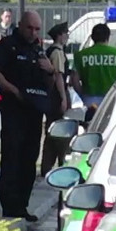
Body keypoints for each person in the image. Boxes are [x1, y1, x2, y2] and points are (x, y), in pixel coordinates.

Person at [0, 11, 58, 221]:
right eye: (30, 28)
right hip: (13, 110)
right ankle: (10, 206)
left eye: (37, 29)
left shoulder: (38, 50)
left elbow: (49, 83)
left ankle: (22, 206)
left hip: (34, 112)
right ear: (20, 25)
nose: (33, 32)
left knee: (29, 159)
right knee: (12, 157)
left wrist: (51, 70)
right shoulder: (7, 46)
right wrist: (13, 90)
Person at [42, 21, 72, 175]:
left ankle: (47, 167)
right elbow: (59, 76)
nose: (67, 36)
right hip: (56, 96)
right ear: (60, 36)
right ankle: (60, 165)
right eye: (66, 33)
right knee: (61, 132)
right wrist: (63, 98)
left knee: (51, 131)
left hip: (51, 97)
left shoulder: (52, 51)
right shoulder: (58, 52)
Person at [74, 23, 116, 108]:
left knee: (91, 120)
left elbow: (74, 79)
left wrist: (82, 95)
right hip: (112, 96)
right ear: (108, 37)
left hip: (89, 98)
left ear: (92, 37)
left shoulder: (80, 55)